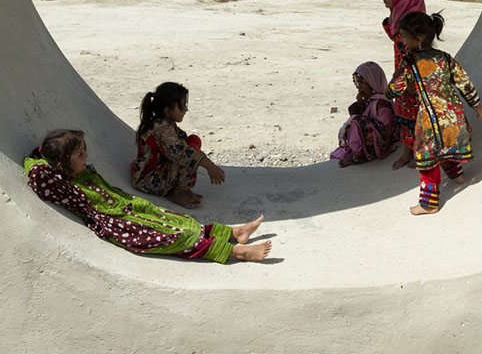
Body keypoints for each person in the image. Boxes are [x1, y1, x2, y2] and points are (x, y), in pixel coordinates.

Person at [26, 129, 272, 262]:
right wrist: (35, 157)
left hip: (134, 210)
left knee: (181, 222)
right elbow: (37, 174)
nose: (86, 157)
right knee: (176, 237)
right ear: (62, 165)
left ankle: (234, 233)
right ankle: (237, 253)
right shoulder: (66, 187)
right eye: (80, 155)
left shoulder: (82, 173)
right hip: (123, 224)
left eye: (84, 151)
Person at [386, 11, 482, 215]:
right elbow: (464, 82)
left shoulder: (410, 62)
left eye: (405, 37)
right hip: (454, 117)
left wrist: (388, 92)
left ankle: (429, 204)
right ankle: (457, 176)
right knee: (446, 148)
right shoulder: (445, 58)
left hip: (430, 121)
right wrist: (476, 105)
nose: (403, 41)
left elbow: (396, 87)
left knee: (427, 160)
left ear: (418, 39)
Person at [131, 81, 225, 208]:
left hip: (160, 171)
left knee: (193, 141)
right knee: (185, 156)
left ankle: (181, 189)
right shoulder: (160, 129)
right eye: (182, 106)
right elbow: (181, 152)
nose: (185, 110)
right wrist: (209, 166)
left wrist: (207, 163)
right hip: (148, 180)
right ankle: (177, 192)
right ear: (167, 110)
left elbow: (186, 144)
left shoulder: (168, 125)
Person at [381, 0, 426, 169]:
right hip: (401, 74)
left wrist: (410, 78)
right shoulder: (399, 19)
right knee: (404, 113)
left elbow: (419, 54)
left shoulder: (415, 25)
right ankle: (407, 150)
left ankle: (420, 151)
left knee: (417, 115)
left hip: (414, 77)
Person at [329, 61, 400, 167]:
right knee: (355, 120)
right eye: (357, 83)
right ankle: (356, 150)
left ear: (373, 82)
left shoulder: (383, 105)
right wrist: (360, 104)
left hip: (382, 144)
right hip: (372, 141)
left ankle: (358, 155)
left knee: (356, 121)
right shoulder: (370, 100)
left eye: (362, 83)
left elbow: (385, 131)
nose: (359, 87)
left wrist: (363, 124)